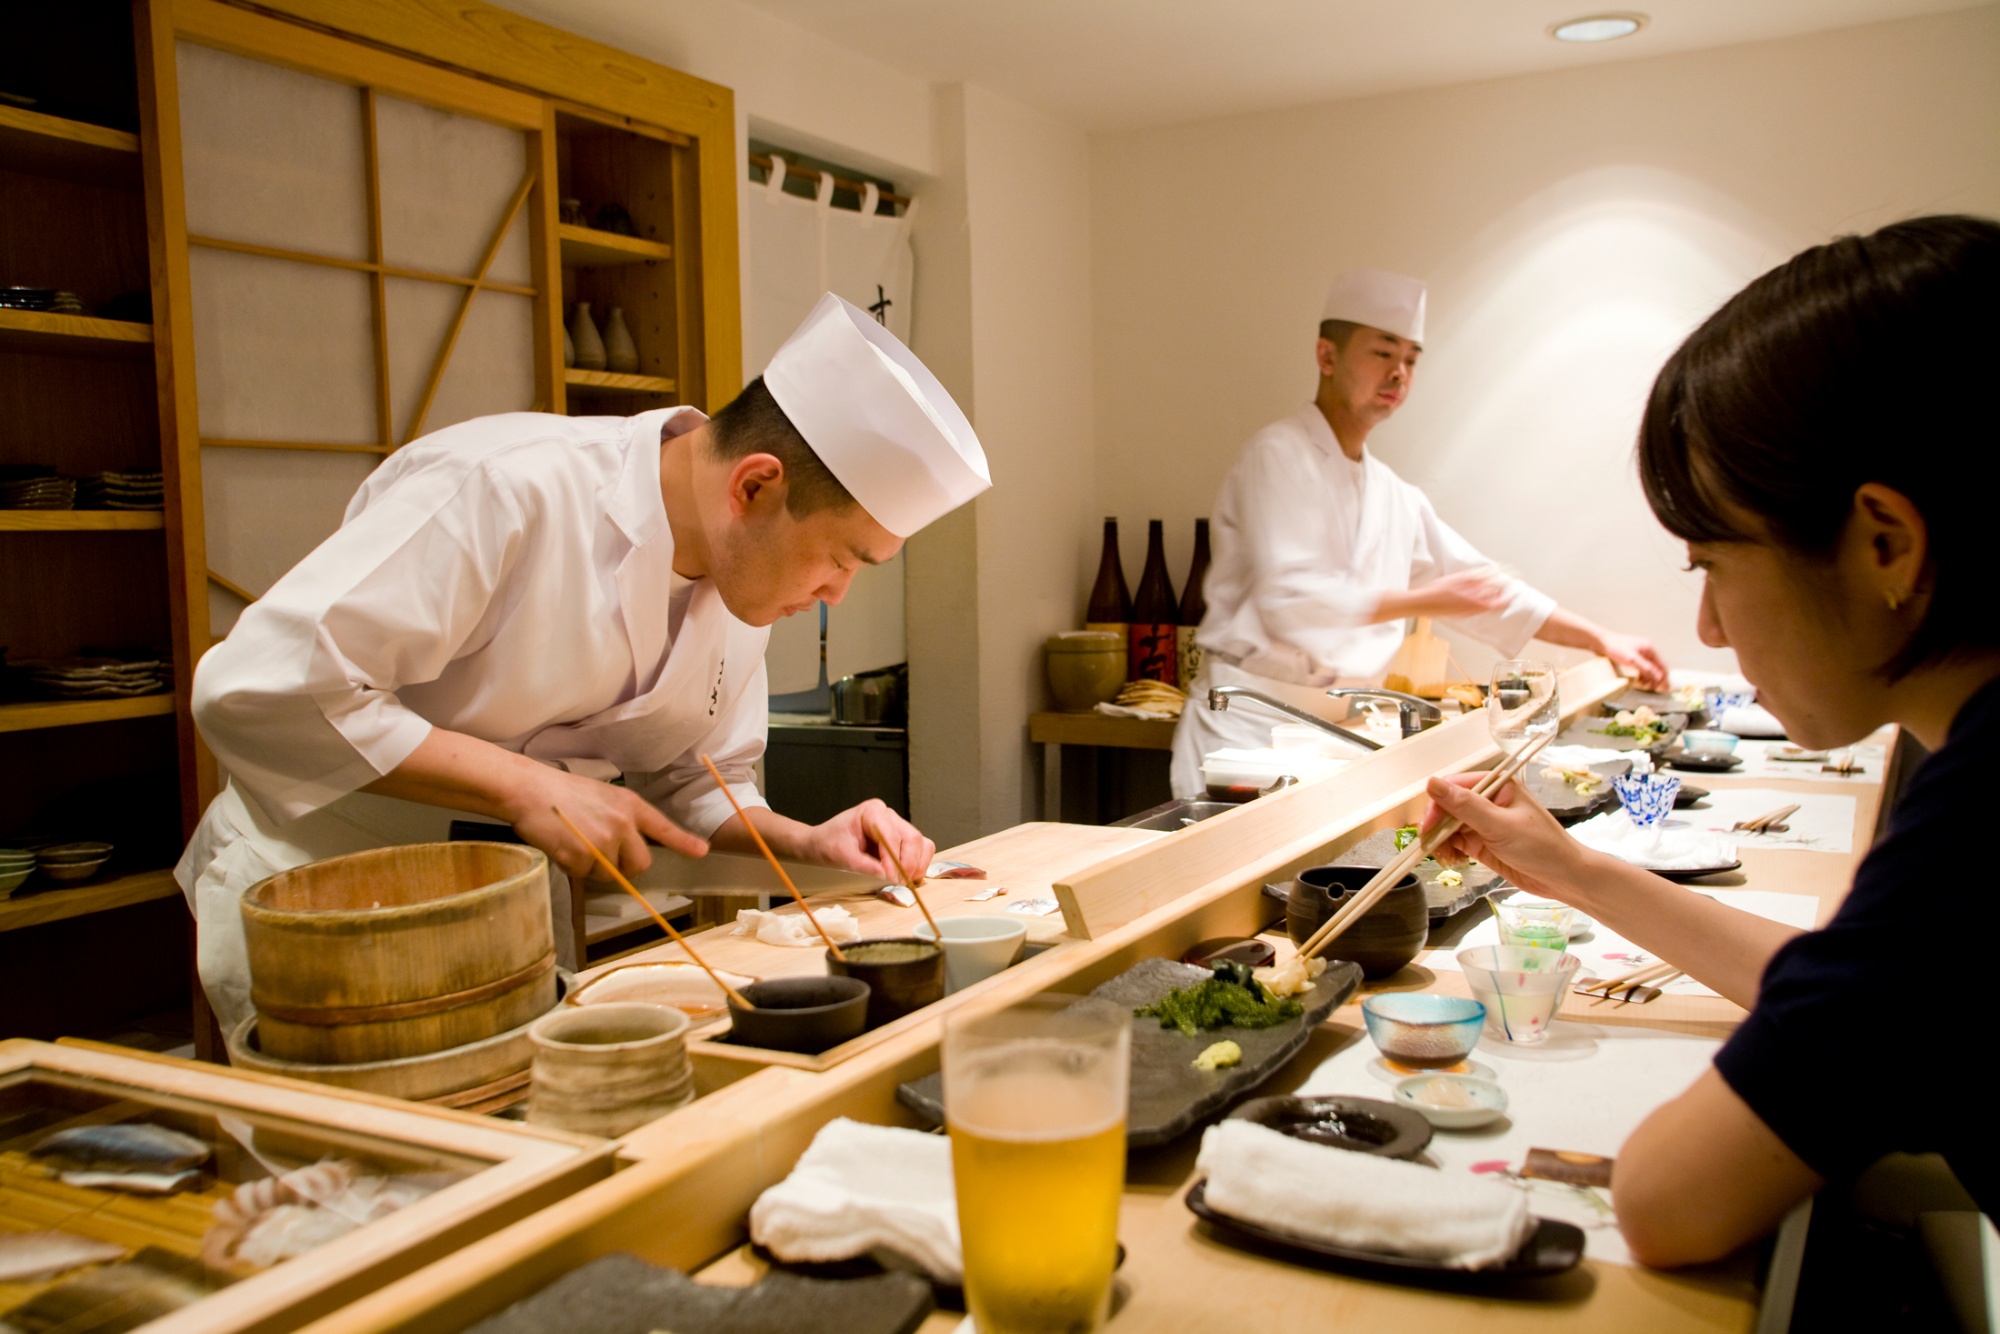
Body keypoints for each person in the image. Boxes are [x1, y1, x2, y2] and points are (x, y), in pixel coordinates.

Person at [1420, 215, 2000, 1265]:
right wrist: (1570, 868)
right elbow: (1850, 990)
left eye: (1710, 564)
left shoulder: (1994, 813)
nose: (1709, 629)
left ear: (1884, 543)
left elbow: (1663, 1199)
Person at [178, 293, 990, 1033]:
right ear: (755, 488)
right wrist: (525, 785)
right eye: (843, 560)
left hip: (516, 925)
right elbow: (252, 689)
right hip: (328, 904)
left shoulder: (744, 580)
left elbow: (698, 784)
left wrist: (804, 844)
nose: (837, 595)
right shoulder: (506, 489)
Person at [1171, 268, 1666, 798]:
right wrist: (1428, 599)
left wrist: (1602, 639)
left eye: (1410, 359)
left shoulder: (1392, 494)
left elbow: (1485, 591)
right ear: (1327, 356)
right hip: (1246, 725)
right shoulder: (1277, 456)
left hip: (1336, 730)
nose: (1399, 373)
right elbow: (1290, 601)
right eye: (1383, 353)